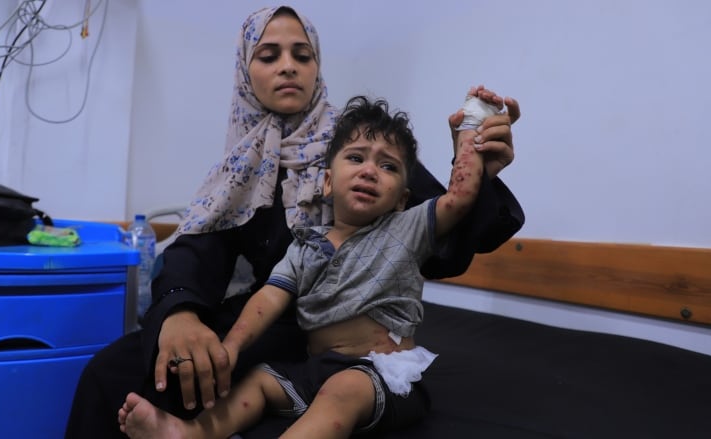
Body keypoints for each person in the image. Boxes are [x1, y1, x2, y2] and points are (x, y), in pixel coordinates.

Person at [65, 6, 524, 438]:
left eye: (301, 55)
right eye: (269, 55)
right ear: (247, 71)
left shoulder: (359, 144)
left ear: (316, 67)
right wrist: (180, 313)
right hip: (264, 322)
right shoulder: (240, 166)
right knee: (115, 375)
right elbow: (199, 251)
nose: (288, 66)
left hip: (339, 341)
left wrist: (476, 163)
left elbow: (446, 234)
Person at [116, 93, 498, 438]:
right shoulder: (306, 245)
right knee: (259, 382)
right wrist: (230, 347)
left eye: (388, 167)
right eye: (356, 157)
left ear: (402, 199)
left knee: (341, 392)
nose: (369, 170)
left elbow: (461, 197)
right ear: (328, 183)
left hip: (381, 375)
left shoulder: (406, 228)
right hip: (317, 369)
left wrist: (469, 130)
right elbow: (269, 299)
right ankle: (189, 434)